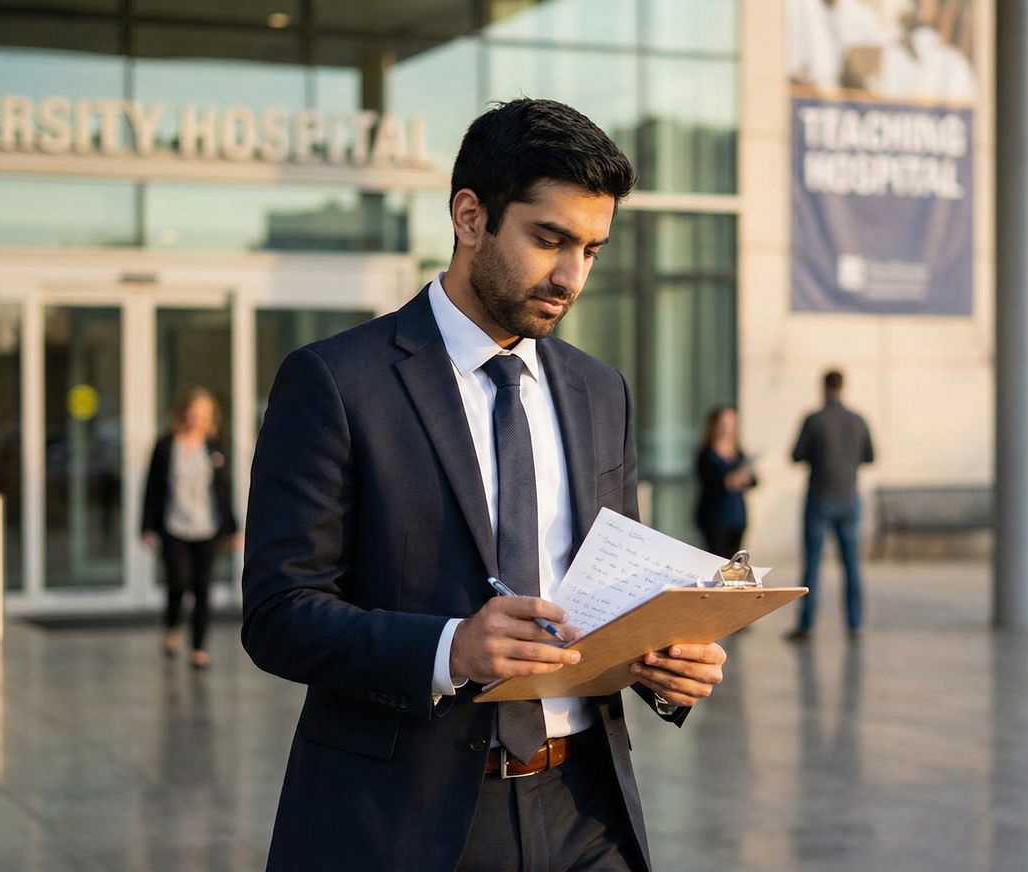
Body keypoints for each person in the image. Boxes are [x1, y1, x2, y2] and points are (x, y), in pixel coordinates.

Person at [241, 98, 728, 871]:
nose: (571, 276)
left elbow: (620, 587)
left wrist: (668, 667)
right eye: (550, 240)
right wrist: (450, 647)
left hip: (586, 811)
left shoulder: (603, 391)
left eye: (593, 250)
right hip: (408, 821)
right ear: (471, 217)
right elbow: (277, 613)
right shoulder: (336, 382)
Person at [141, 386, 238, 669]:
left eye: (204, 414)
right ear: (185, 413)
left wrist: (234, 528)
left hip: (208, 528)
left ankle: (198, 647)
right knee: (178, 583)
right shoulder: (166, 445)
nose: (198, 418)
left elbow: (224, 490)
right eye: (194, 412)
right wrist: (146, 527)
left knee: (202, 589)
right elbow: (152, 489)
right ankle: (172, 628)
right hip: (174, 527)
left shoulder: (215, 447)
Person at [787, 370, 874, 642]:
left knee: (812, 564)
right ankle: (855, 624)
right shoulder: (858, 420)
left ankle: (807, 624)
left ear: (823, 387)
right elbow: (870, 456)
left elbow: (797, 454)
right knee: (851, 565)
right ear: (843, 387)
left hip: (820, 497)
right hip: (849, 497)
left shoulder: (814, 420)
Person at [693, 405, 757, 558]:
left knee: (734, 561)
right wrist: (730, 481)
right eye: (724, 424)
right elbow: (710, 481)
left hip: (736, 516)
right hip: (715, 516)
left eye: (732, 424)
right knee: (716, 559)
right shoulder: (706, 454)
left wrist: (745, 478)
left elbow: (754, 481)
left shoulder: (738, 452)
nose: (728, 429)